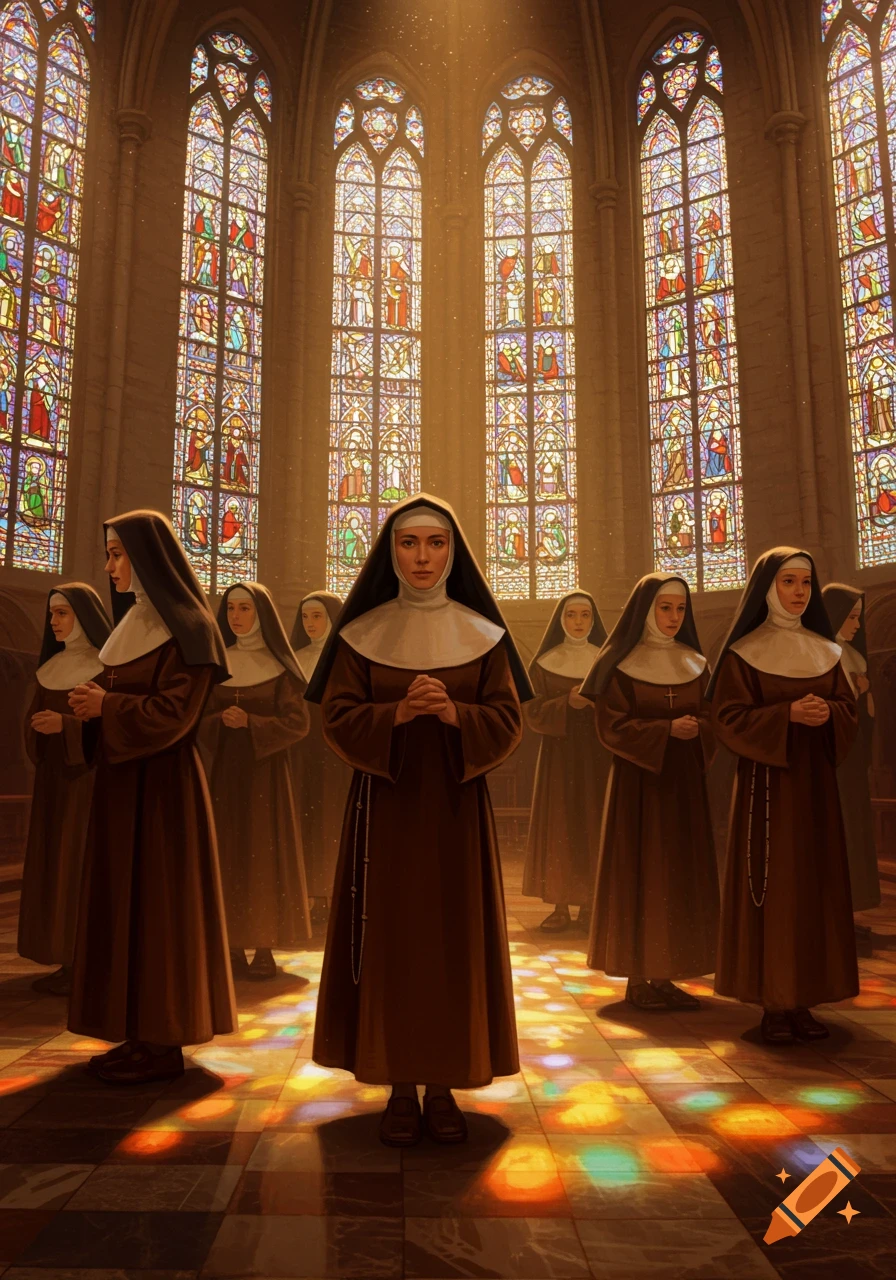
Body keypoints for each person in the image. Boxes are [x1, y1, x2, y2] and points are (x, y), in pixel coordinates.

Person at [305, 494, 531, 1148]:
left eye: (435, 544)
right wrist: (395, 718)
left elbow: (508, 719)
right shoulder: (361, 633)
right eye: (409, 544)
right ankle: (399, 1086)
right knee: (392, 943)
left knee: (451, 944)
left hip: (457, 814)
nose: (423, 557)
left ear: (452, 552)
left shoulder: (482, 634)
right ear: (391, 553)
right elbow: (338, 717)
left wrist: (460, 716)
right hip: (384, 812)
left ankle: (444, 1085)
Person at [67, 510, 235, 1084]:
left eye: (118, 554)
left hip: (165, 792)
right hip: (122, 788)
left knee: (160, 908)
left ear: (147, 558)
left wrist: (106, 707)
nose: (111, 566)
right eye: (109, 555)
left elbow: (176, 715)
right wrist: (93, 708)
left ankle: (164, 1041)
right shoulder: (133, 624)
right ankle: (136, 1032)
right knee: (126, 906)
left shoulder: (189, 626)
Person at [709, 550, 859, 1044]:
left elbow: (847, 710)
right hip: (767, 791)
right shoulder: (743, 652)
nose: (799, 592)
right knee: (776, 892)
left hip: (815, 790)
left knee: (814, 890)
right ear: (768, 588)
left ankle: (806, 999)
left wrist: (828, 713)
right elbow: (726, 719)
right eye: (789, 581)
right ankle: (774, 1002)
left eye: (806, 583)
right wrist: (785, 717)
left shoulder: (826, 650)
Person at [581, 575, 718, 1010]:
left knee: (677, 877)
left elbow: (717, 717)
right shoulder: (621, 664)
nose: (674, 617)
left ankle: (666, 974)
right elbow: (610, 726)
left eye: (680, 609)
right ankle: (637, 978)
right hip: (639, 789)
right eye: (665, 608)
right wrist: (665, 730)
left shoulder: (696, 661)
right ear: (646, 611)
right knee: (640, 875)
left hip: (684, 789)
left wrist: (699, 731)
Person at [202, 583, 311, 980]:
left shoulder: (280, 667)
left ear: (261, 614)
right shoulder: (218, 664)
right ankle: (231, 946)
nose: (236, 616)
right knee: (228, 855)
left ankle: (263, 947)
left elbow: (298, 723)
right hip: (224, 776)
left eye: (245, 608)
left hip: (265, 777)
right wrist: (220, 723)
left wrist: (252, 723)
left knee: (263, 860)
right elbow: (197, 721)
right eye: (231, 608)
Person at [18, 586, 111, 996]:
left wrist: (67, 727)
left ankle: (87, 959)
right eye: (52, 614)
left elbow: (110, 726)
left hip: (88, 785)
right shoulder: (50, 667)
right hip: (54, 783)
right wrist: (38, 728)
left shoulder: (107, 669)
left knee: (79, 866)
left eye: (62, 614)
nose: (54, 622)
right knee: (54, 866)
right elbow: (32, 723)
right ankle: (64, 957)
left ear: (84, 618)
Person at [522, 591, 610, 934]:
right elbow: (531, 710)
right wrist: (566, 704)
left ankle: (589, 905)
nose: (578, 622)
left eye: (585, 615)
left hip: (598, 756)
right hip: (559, 757)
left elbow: (620, 707)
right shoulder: (544, 662)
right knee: (560, 826)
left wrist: (593, 707)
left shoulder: (606, 660)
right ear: (561, 619)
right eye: (572, 615)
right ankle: (559, 907)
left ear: (593, 620)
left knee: (592, 822)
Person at [823, 583, 881, 954]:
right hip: (833, 766)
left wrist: (864, 693)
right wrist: (857, 694)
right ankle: (835, 916)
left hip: (853, 766)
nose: (857, 624)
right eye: (851, 616)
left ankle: (854, 913)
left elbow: (869, 717)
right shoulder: (824, 657)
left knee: (856, 837)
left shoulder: (853, 659)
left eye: (860, 616)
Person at [290, 591, 350, 925]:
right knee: (306, 822)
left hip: (334, 750)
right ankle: (310, 896)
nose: (310, 624)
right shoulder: (294, 657)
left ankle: (333, 894)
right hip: (301, 751)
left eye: (317, 616)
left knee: (331, 822)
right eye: (305, 617)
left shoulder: (344, 658)